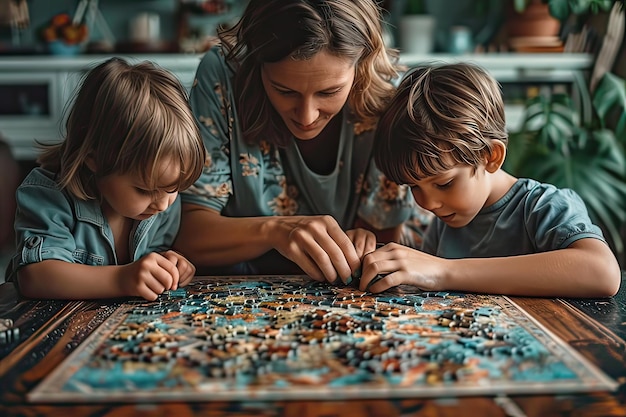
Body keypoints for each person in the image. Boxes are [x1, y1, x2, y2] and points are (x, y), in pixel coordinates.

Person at [174, 0, 431, 284]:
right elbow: (188, 234)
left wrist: (364, 246)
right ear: (256, 64)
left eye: (329, 92)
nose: (307, 116)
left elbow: (382, 243)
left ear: (362, 66)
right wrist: (275, 231)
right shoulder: (222, 74)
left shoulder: (387, 98)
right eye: (284, 91)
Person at [360, 62, 621, 298]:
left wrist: (445, 271)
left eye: (444, 183)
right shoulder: (444, 225)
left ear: (491, 156)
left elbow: (602, 272)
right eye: (414, 186)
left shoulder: (543, 206)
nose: (427, 203)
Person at [5, 57, 206, 301]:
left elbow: (152, 261)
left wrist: (168, 265)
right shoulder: (48, 196)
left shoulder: (160, 204)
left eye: (172, 189)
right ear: (94, 160)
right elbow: (35, 277)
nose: (163, 204)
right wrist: (122, 279)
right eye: (144, 190)